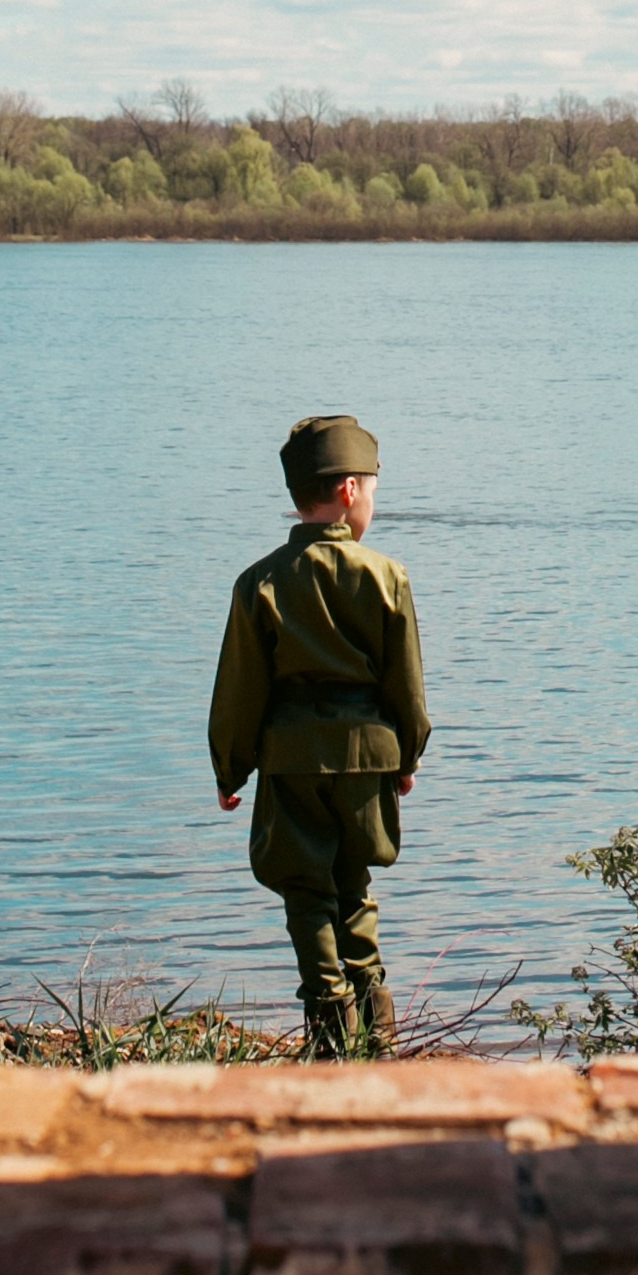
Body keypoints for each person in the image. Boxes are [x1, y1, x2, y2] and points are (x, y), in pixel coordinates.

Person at [207, 411, 429, 1057]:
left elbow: (239, 690)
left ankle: (328, 1026)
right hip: (369, 757)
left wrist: (231, 769)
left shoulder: (259, 582)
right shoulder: (387, 577)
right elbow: (405, 687)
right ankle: (376, 1028)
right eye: (374, 491)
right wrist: (406, 757)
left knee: (305, 890)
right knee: (353, 883)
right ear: (350, 491)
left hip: (291, 758)